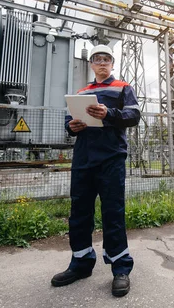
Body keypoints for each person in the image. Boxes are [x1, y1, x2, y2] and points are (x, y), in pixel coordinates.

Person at [51, 44, 140, 297]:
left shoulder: (123, 88)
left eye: (106, 59)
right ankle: (80, 263)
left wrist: (108, 112)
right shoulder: (82, 92)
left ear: (112, 63)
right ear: (91, 64)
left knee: (113, 211)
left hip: (111, 157)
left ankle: (120, 268)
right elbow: (69, 122)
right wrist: (72, 127)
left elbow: (133, 116)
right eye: (97, 59)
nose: (102, 63)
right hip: (84, 158)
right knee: (79, 211)